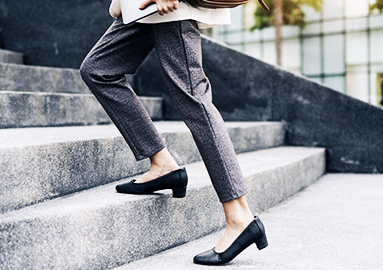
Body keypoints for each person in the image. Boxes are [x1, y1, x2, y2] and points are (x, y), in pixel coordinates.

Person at [79, 0, 268, 265]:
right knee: (99, 69)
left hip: (169, 6)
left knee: (194, 99)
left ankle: (240, 215)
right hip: (141, 7)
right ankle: (163, 164)